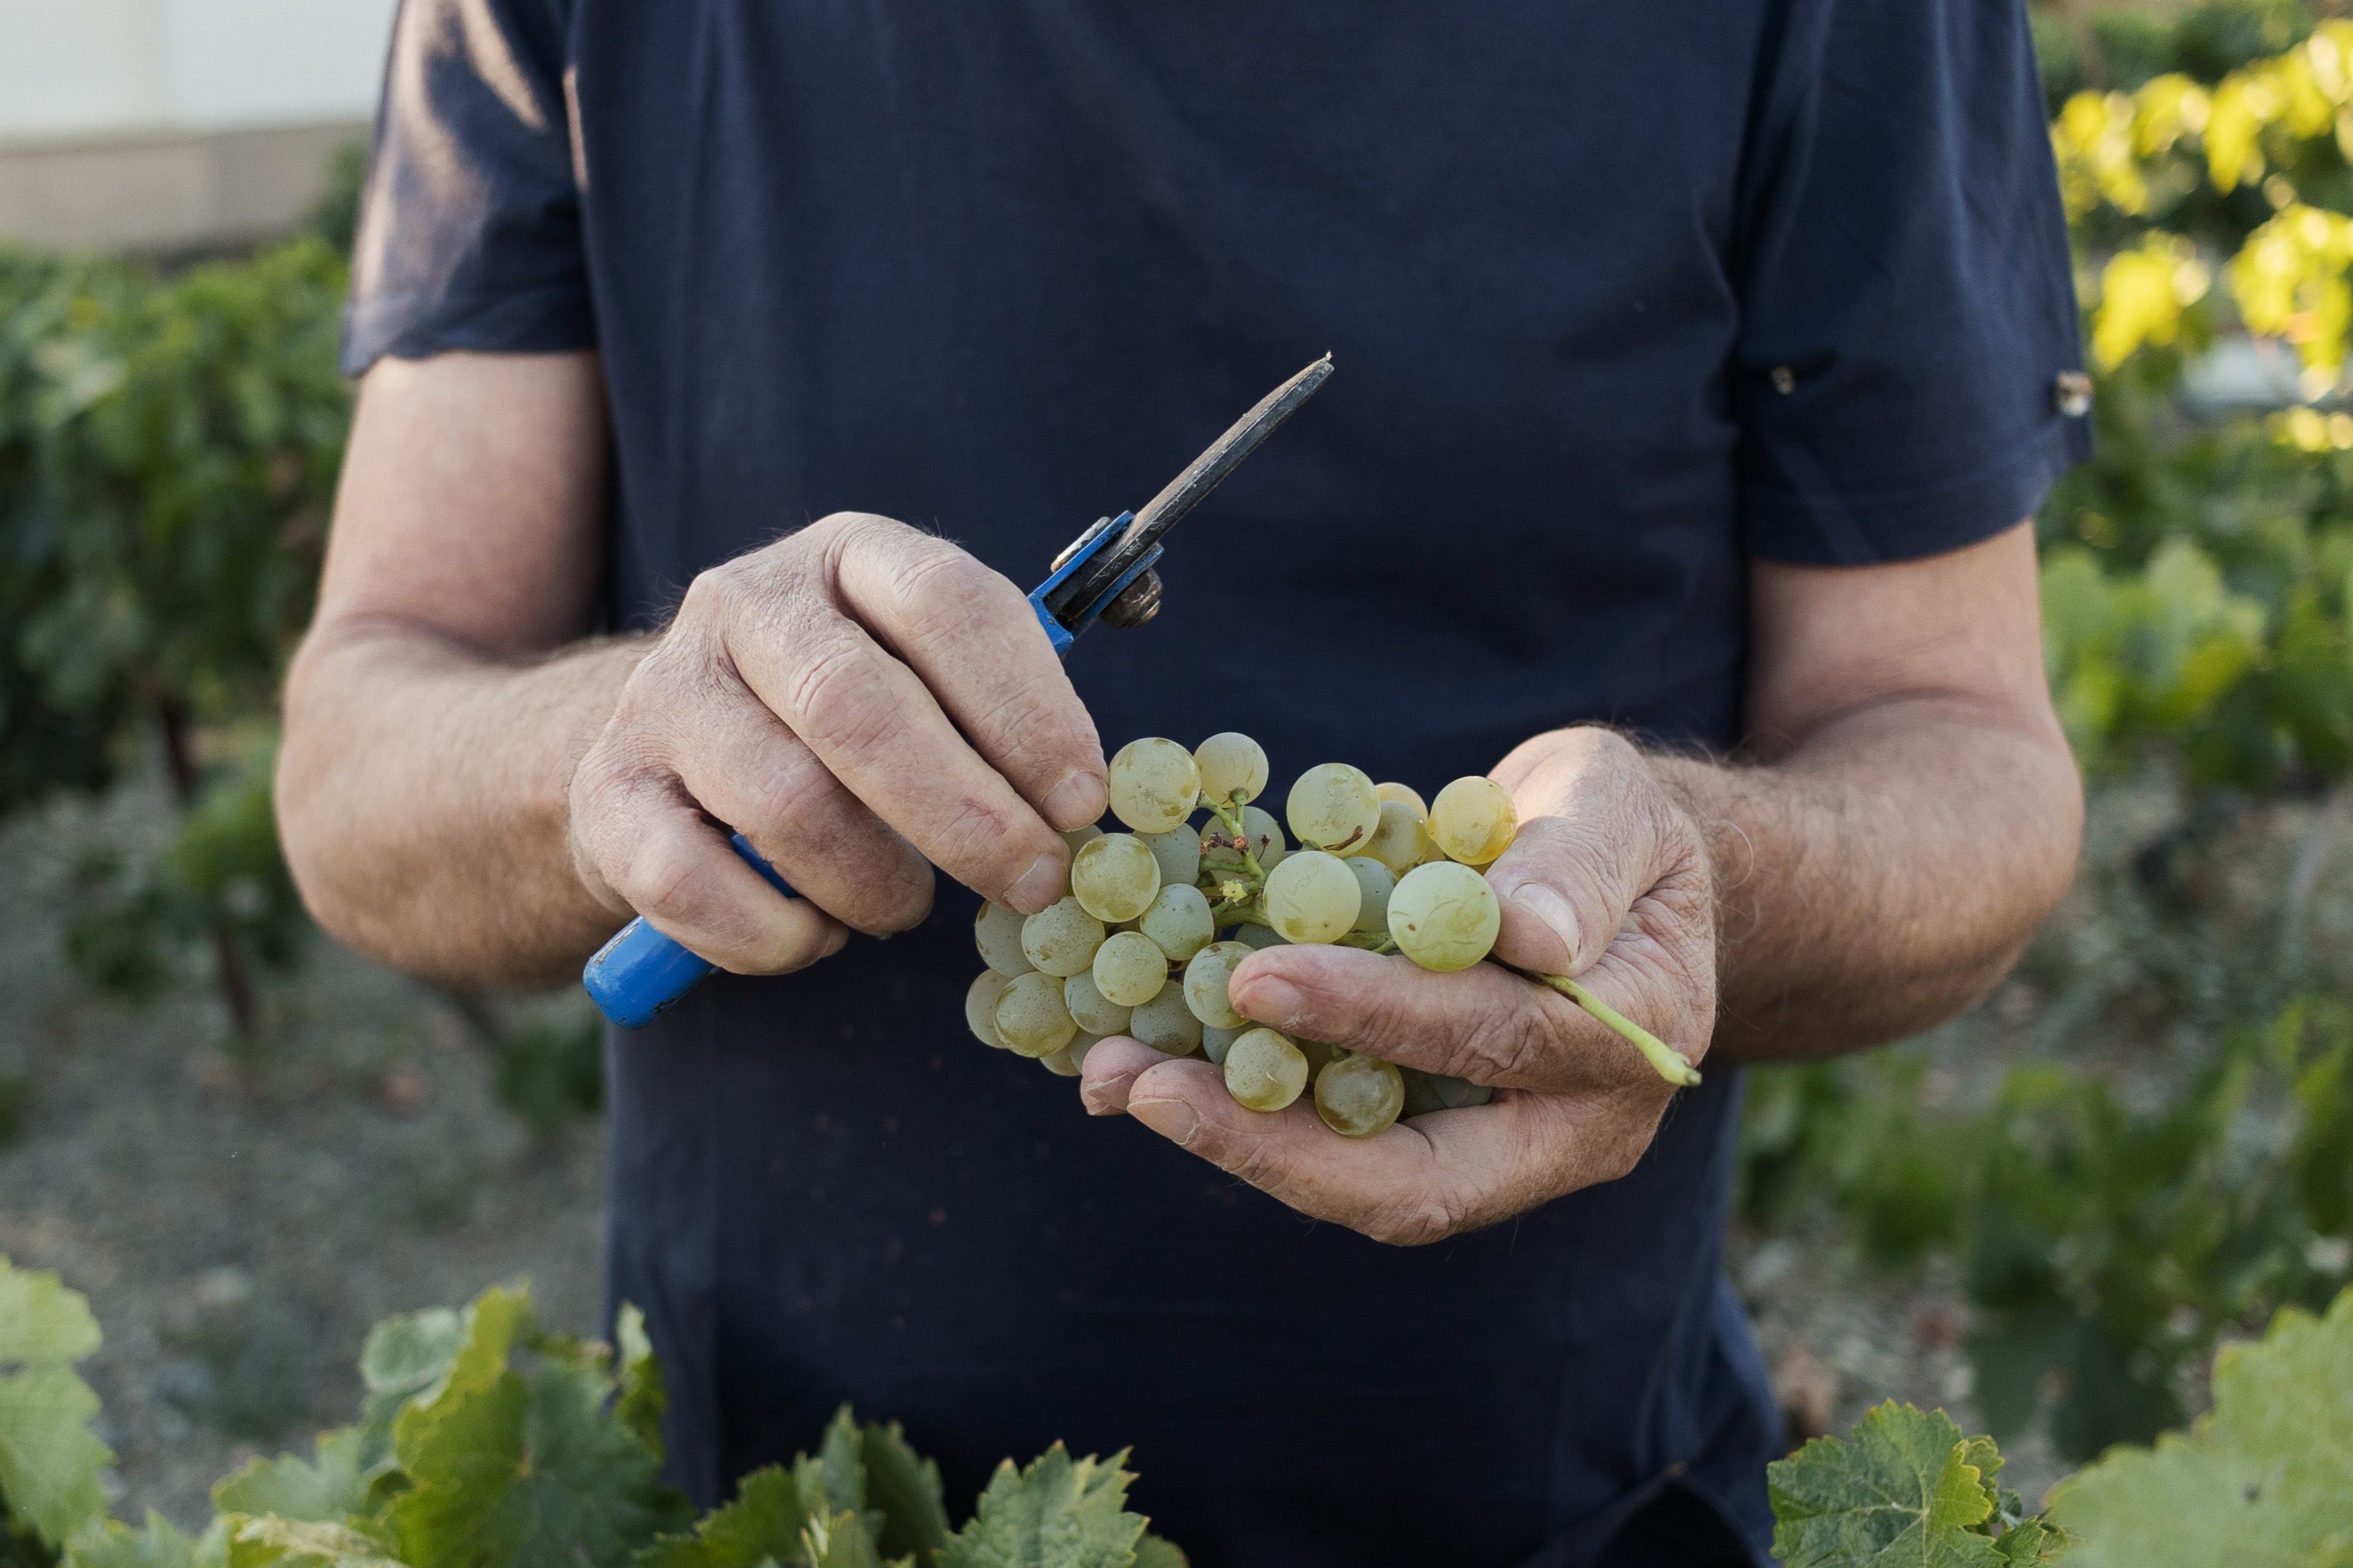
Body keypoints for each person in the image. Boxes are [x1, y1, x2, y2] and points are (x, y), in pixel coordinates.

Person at [274, 2, 2088, 1563]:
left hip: (1554, 1509)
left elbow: (1969, 762)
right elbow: (356, 770)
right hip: (786, 1514)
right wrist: (614, 749)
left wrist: (1702, 870)